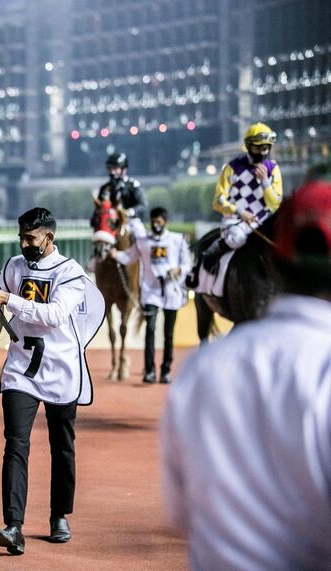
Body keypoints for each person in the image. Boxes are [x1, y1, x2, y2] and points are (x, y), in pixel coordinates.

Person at [161, 180, 331, 568]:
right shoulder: (237, 169)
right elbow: (222, 198)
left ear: (277, 260)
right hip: (242, 222)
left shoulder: (200, 372)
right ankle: (200, 277)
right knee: (228, 243)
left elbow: (180, 513)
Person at [0, 208, 104, 556]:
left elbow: (56, 315)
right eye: (21, 237)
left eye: (30, 238)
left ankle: (60, 515)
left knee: (62, 446)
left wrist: (10, 299)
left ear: (49, 237)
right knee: (15, 443)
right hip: (21, 371)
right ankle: (13, 526)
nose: (24, 243)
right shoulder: (14, 266)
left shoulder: (71, 273)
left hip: (62, 370)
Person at [187, 122, 283, 283]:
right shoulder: (231, 168)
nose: (262, 152)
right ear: (248, 146)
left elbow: (275, 204)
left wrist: (265, 182)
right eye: (258, 148)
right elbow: (218, 201)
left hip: (264, 222)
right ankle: (209, 257)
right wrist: (240, 212)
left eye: (265, 148)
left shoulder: (273, 169)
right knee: (238, 238)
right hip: (236, 222)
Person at [110, 207, 190, 384]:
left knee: (169, 333)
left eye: (159, 221)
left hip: (171, 291)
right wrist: (116, 255)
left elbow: (187, 264)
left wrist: (179, 270)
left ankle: (166, 370)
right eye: (154, 221)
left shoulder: (177, 240)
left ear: (165, 222)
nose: (156, 224)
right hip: (151, 291)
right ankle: (149, 371)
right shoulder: (142, 242)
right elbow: (129, 257)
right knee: (151, 329)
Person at [94, 152, 147, 239]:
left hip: (129, 221)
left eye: (115, 168)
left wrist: (129, 212)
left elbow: (142, 205)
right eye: (110, 168)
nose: (112, 172)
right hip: (109, 221)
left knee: (141, 235)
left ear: (123, 169)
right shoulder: (105, 188)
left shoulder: (133, 185)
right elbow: (99, 207)